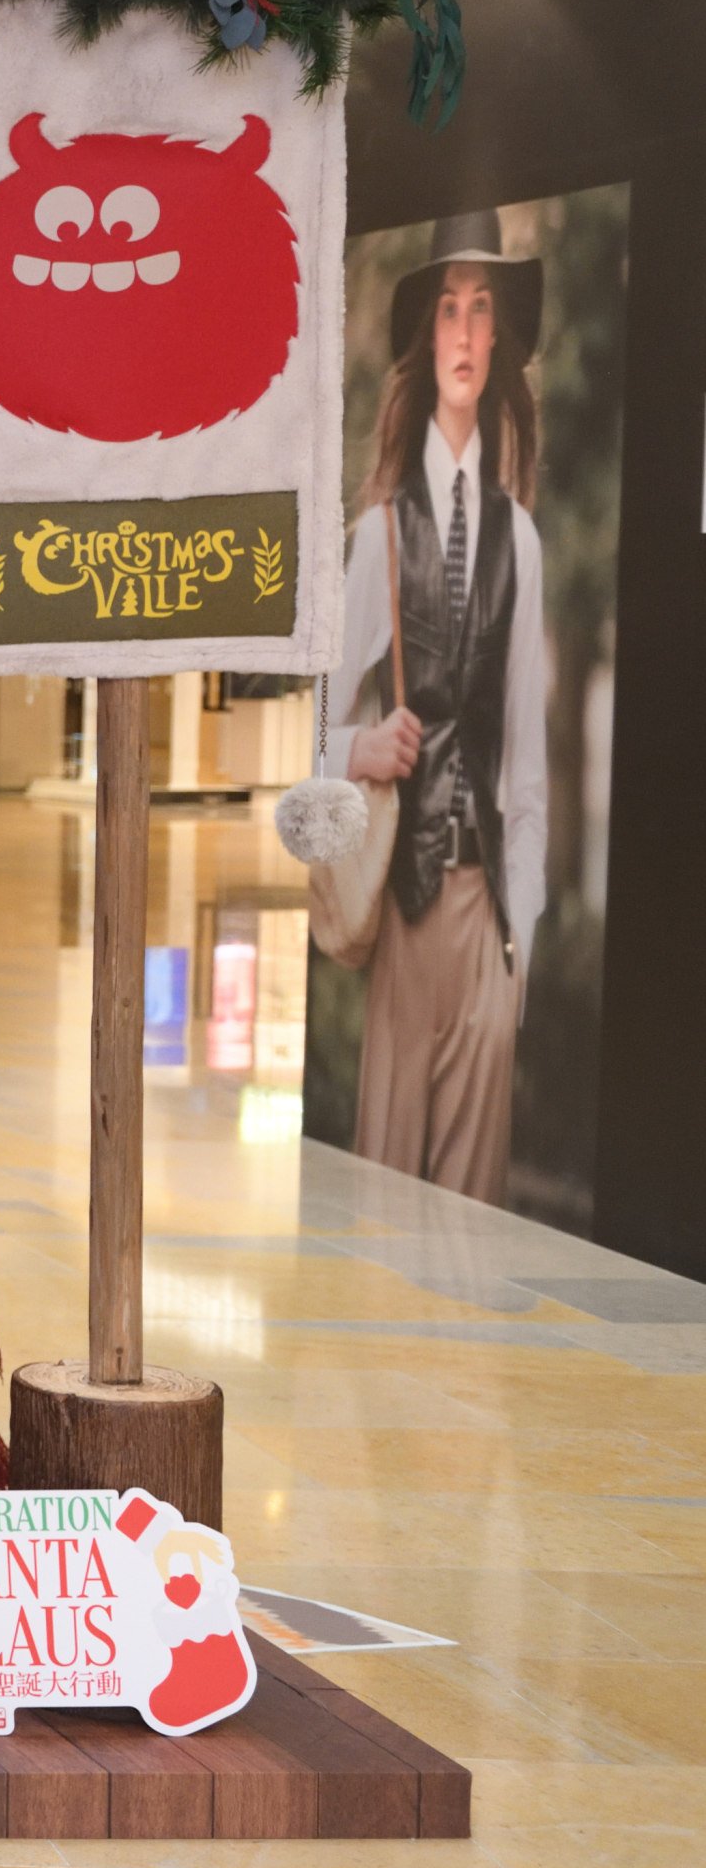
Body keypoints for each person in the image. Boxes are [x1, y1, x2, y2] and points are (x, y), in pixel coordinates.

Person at [326, 211, 549, 1202]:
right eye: (449, 309)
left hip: (486, 912)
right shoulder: (377, 534)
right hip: (408, 904)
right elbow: (320, 732)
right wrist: (360, 749)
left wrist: (523, 948)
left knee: (475, 1209)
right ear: (431, 338)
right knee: (386, 1188)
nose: (463, 332)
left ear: (498, 342)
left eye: (482, 310)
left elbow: (528, 767)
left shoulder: (524, 543)